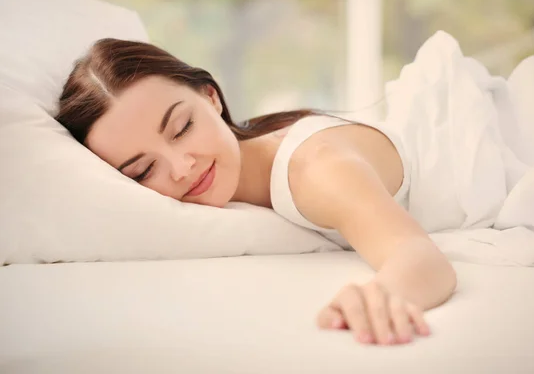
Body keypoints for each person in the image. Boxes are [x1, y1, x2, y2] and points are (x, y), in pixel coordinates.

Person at [56, 38, 457, 346]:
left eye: (181, 128)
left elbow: (421, 258)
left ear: (211, 98)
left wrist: (380, 294)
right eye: (144, 171)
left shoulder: (316, 170)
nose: (182, 168)